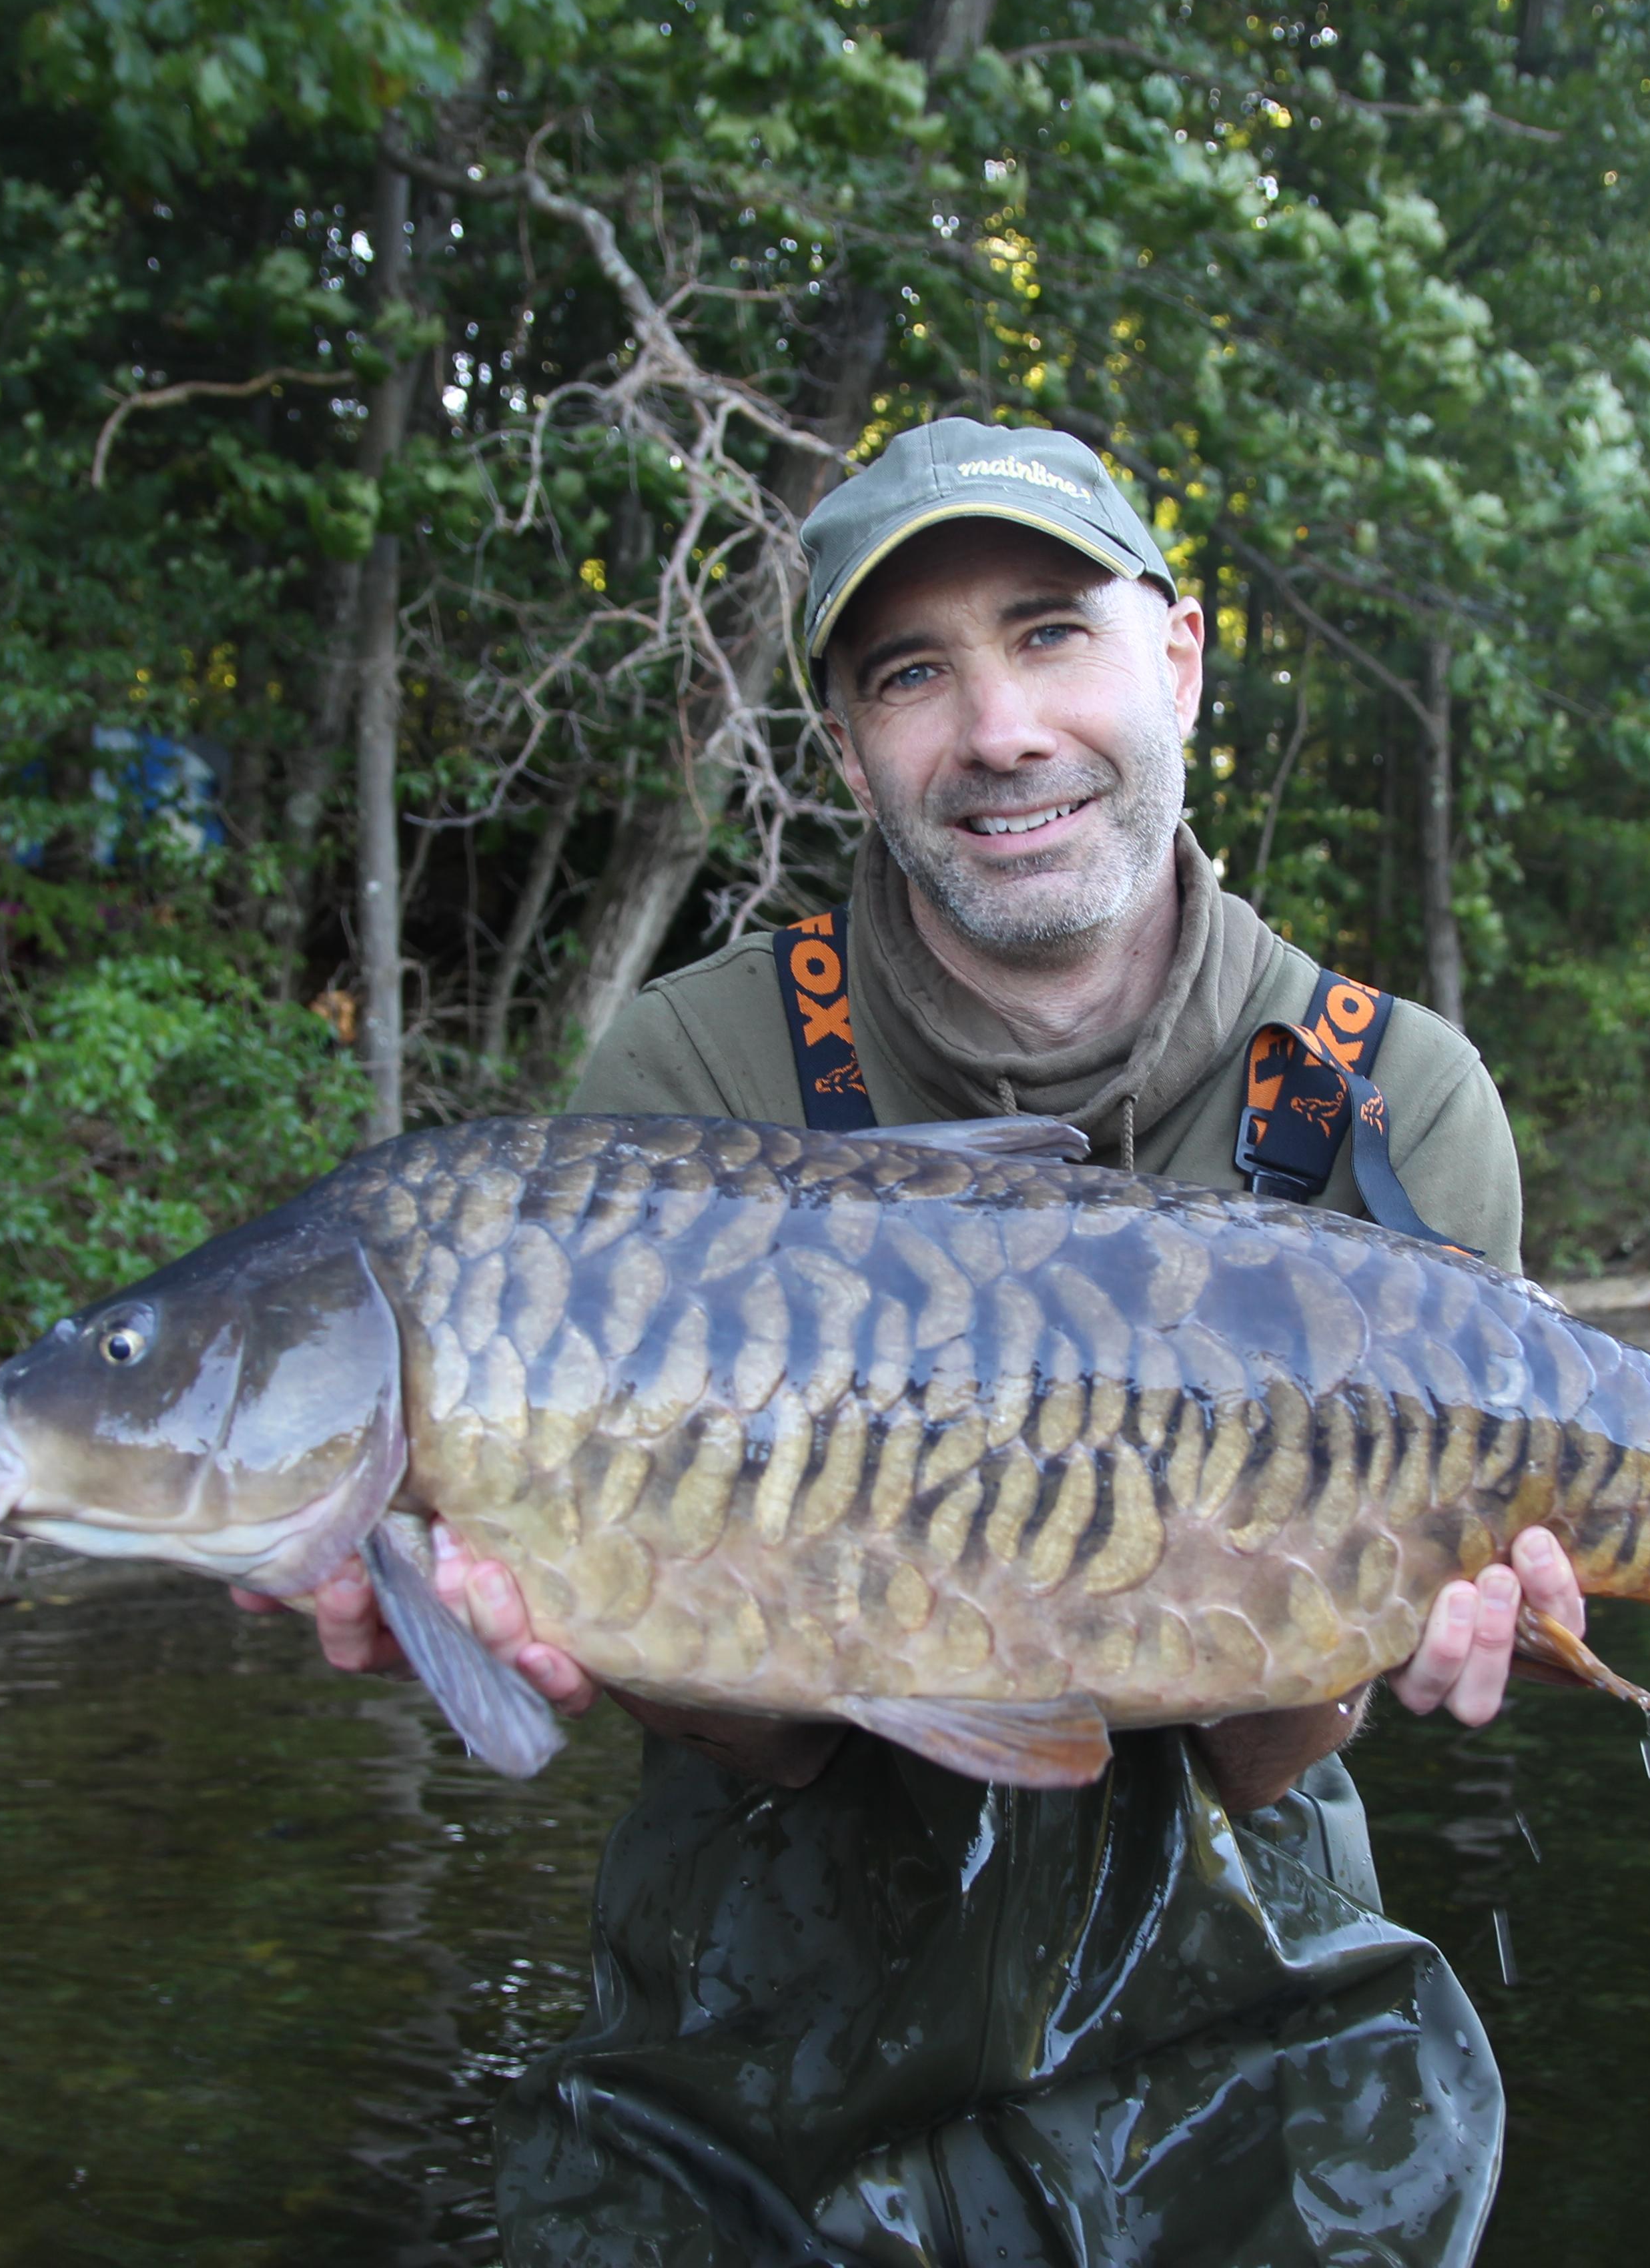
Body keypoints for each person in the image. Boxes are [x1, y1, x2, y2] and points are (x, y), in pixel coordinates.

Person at [251, 420, 1582, 2266]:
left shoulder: (1388, 1099)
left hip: (1236, 1995)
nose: (999, 727)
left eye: (1051, 633)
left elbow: (1273, 1756)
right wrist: (572, 1624)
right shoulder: (688, 1085)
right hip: (763, 1991)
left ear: (1177, 658)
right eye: (912, 673)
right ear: (851, 738)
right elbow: (760, 1746)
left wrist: (1367, 1638)